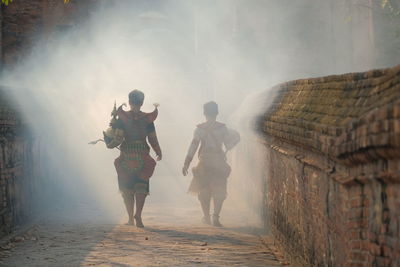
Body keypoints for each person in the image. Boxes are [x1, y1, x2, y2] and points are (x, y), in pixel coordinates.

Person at [105, 90, 162, 228]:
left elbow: (118, 139)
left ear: (129, 102)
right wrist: (158, 152)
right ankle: (138, 216)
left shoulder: (122, 118)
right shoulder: (148, 119)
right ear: (142, 103)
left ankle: (130, 218)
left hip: (126, 157)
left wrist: (109, 144)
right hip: (143, 156)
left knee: (127, 188)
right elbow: (152, 139)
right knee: (141, 185)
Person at [182, 101, 239, 227]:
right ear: (217, 113)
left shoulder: (199, 129)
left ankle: (206, 217)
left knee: (204, 190)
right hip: (218, 161)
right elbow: (229, 143)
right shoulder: (222, 128)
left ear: (204, 113)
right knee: (219, 189)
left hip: (205, 161)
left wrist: (186, 163)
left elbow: (193, 147)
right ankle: (216, 217)